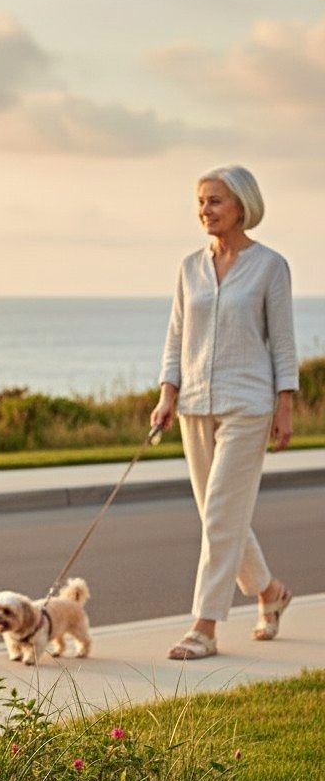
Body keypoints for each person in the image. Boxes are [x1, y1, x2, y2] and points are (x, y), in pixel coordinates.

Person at [151, 165, 298, 660]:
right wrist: (167, 394)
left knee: (219, 517)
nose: (204, 211)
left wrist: (286, 406)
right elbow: (176, 335)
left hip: (249, 403)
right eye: (200, 202)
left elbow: (283, 342)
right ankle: (269, 592)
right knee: (222, 517)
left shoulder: (270, 266)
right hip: (194, 404)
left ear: (241, 205)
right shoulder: (189, 266)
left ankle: (204, 627)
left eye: (214, 201)